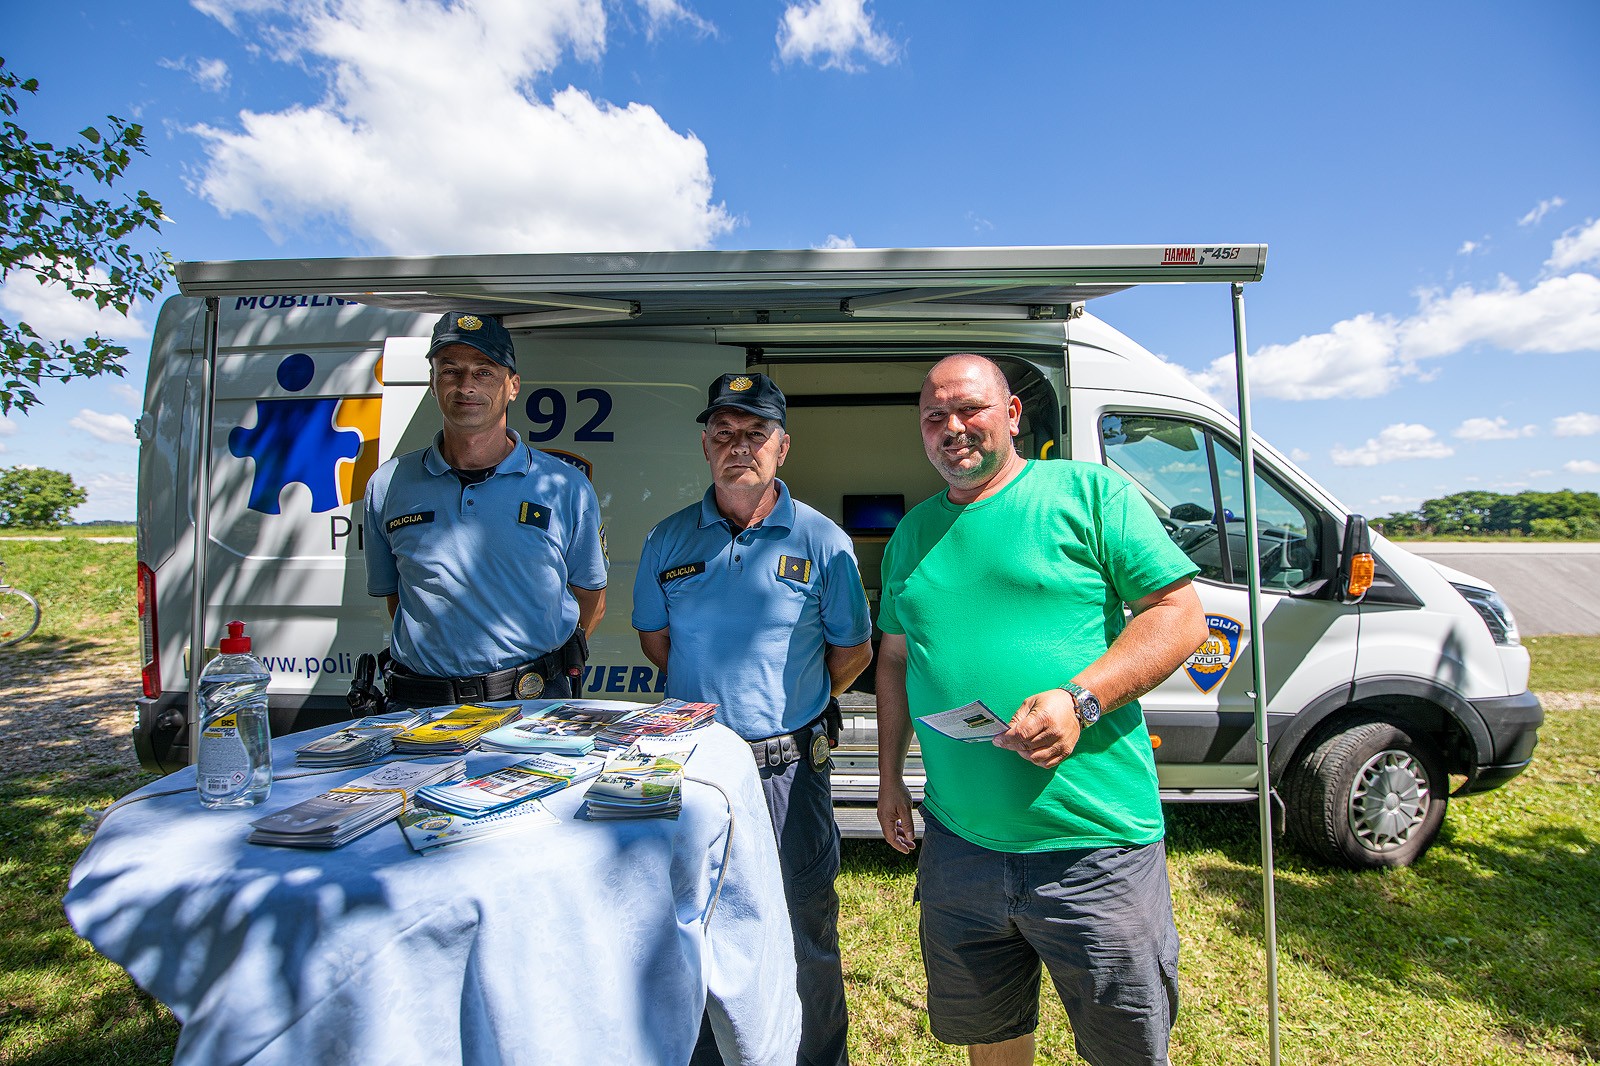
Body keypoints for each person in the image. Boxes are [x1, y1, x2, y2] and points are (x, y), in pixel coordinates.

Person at [874, 354, 1208, 1066]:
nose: (952, 428)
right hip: (961, 846)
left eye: (971, 410)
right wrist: (889, 779)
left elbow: (1180, 617)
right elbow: (898, 660)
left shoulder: (1088, 494)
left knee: (1126, 1049)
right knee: (989, 1039)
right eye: (935, 417)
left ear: (1014, 415)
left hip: (1095, 845)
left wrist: (1080, 700)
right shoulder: (911, 535)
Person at [632, 372, 873, 1066]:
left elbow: (851, 652)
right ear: (706, 446)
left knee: (804, 929)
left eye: (756, 432)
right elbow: (658, 645)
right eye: (724, 432)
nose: (740, 445)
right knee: (695, 926)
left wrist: (788, 705)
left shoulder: (824, 541)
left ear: (783, 446)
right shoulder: (667, 539)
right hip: (696, 768)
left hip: (786, 771)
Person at [364, 311, 606, 709]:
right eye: (450, 371)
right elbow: (399, 599)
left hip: (531, 707)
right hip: (420, 708)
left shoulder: (566, 486)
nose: (465, 387)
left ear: (512, 386)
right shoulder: (389, 485)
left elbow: (591, 599)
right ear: (432, 383)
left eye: (484, 372)